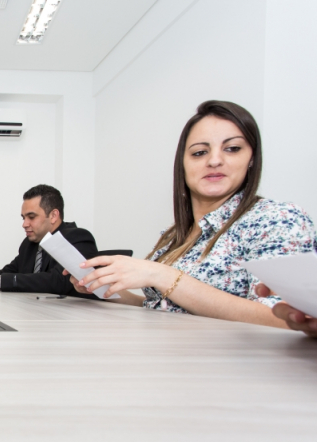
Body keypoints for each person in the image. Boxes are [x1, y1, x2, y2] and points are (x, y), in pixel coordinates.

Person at [68, 100, 316, 328]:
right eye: (200, 152)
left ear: (251, 158)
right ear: (183, 163)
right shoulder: (176, 234)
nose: (215, 160)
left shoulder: (276, 219)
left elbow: (287, 322)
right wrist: (102, 287)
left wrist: (161, 274)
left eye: (232, 149)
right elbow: (160, 307)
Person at [0, 184, 97, 294]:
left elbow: (59, 281)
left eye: (31, 217)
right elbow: (10, 271)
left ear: (53, 215)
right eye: (24, 218)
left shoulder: (78, 237)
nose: (24, 224)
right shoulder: (29, 244)